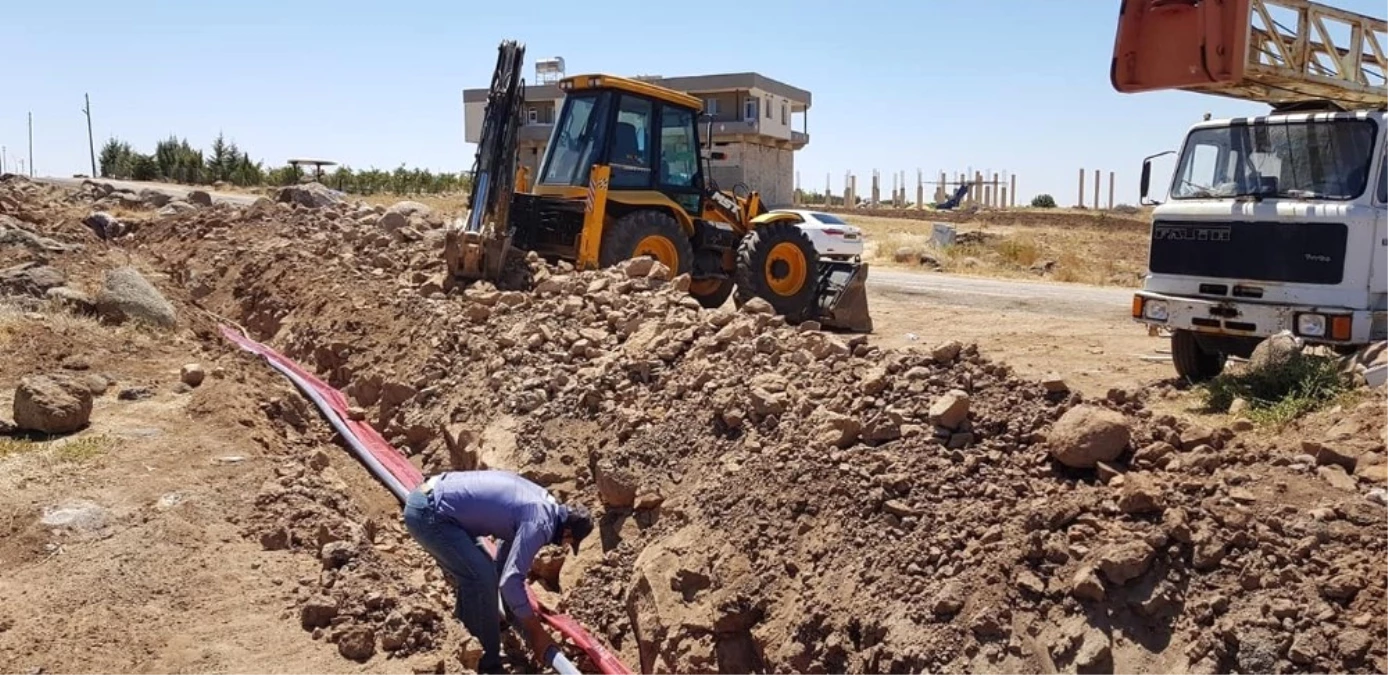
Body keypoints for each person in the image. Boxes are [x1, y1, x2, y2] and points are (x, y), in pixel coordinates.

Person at [402, 469, 594, 673]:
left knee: (483, 574)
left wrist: (517, 618)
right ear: (567, 532)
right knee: (480, 578)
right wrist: (536, 632)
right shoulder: (540, 523)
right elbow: (511, 581)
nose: (563, 545)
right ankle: (486, 665)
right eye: (569, 542)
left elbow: (505, 565)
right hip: (429, 514)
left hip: (435, 501)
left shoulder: (543, 504)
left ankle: (465, 637)